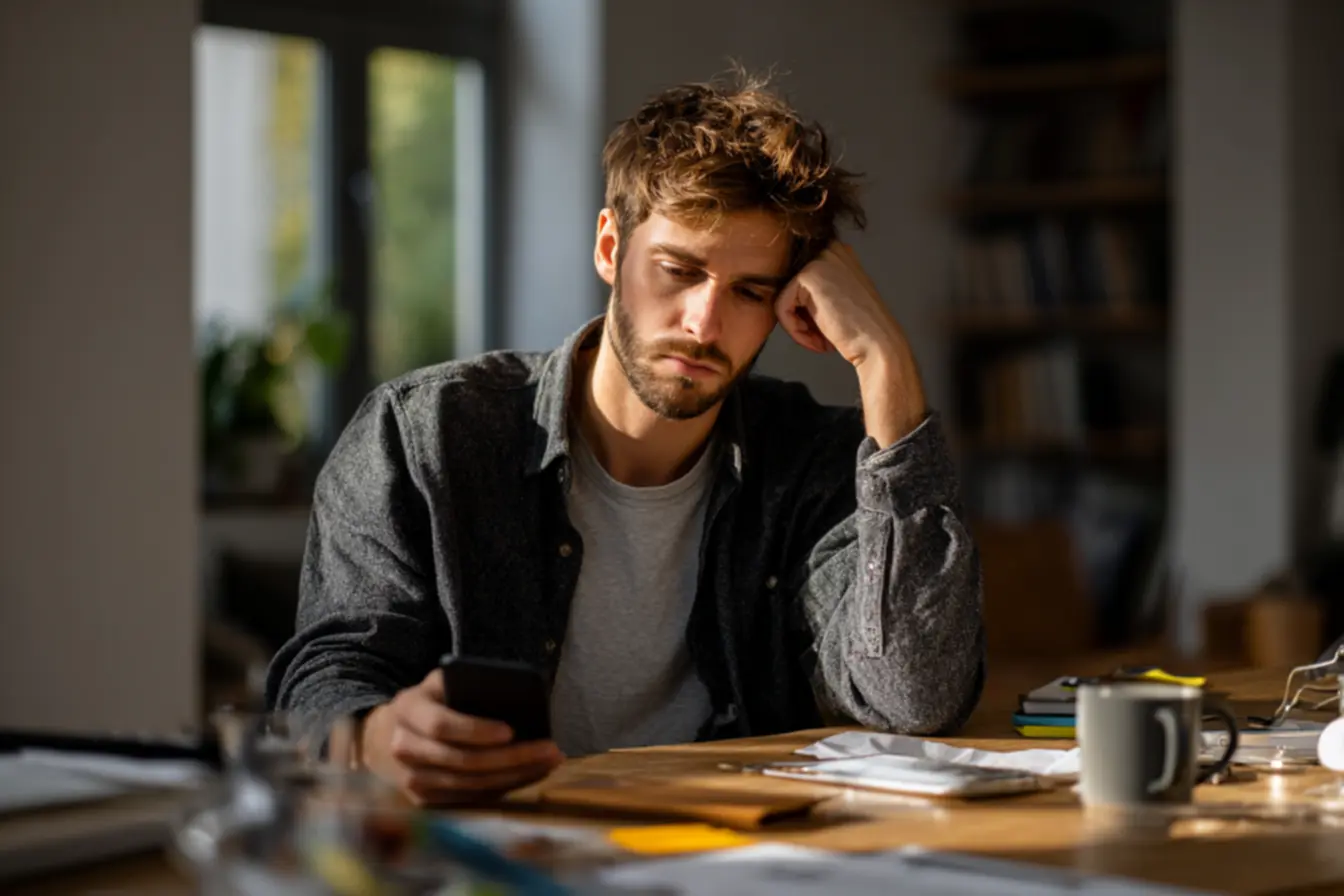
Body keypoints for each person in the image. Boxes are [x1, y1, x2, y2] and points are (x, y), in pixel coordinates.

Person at [267, 74, 985, 805]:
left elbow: (914, 695)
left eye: (750, 291)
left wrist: (885, 361)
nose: (705, 325)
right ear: (611, 247)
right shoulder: (421, 437)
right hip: (492, 852)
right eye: (679, 271)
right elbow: (324, 681)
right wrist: (372, 736)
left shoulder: (810, 463)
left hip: (726, 858)